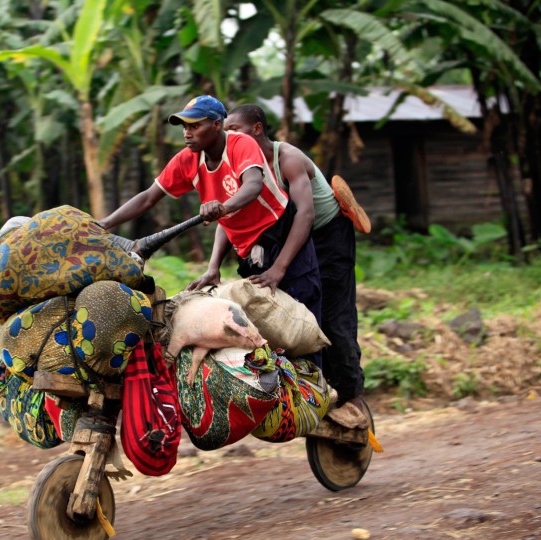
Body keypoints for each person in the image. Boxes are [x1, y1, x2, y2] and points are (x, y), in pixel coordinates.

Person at [98, 95, 323, 367]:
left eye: (194, 126)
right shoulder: (186, 161)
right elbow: (148, 197)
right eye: (183, 127)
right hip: (250, 254)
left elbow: (252, 186)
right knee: (269, 332)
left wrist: (278, 267)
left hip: (281, 237)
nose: (187, 133)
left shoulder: (241, 144)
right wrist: (104, 225)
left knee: (302, 328)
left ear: (217, 124)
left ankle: (317, 397)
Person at [222, 104, 368, 428]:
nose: (229, 137)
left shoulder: (286, 157)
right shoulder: (239, 166)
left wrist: (280, 269)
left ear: (257, 129)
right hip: (289, 241)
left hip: (326, 237)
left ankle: (353, 398)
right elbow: (227, 215)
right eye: (226, 131)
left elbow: (306, 215)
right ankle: (313, 393)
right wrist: (213, 266)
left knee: (332, 318)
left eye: (236, 130)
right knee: (295, 321)